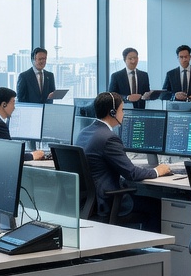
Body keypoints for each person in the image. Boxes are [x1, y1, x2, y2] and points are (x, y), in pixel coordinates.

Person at [72, 92, 169, 223]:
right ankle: (152, 244)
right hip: (107, 202)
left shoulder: (84, 132)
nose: (123, 114)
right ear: (112, 112)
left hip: (86, 203)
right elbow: (132, 173)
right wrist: (158, 171)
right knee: (157, 206)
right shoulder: (109, 138)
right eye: (121, 110)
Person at [0, 87, 46, 161]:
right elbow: (10, 155)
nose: (14, 108)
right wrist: (32, 155)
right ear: (4, 105)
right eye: (13, 103)